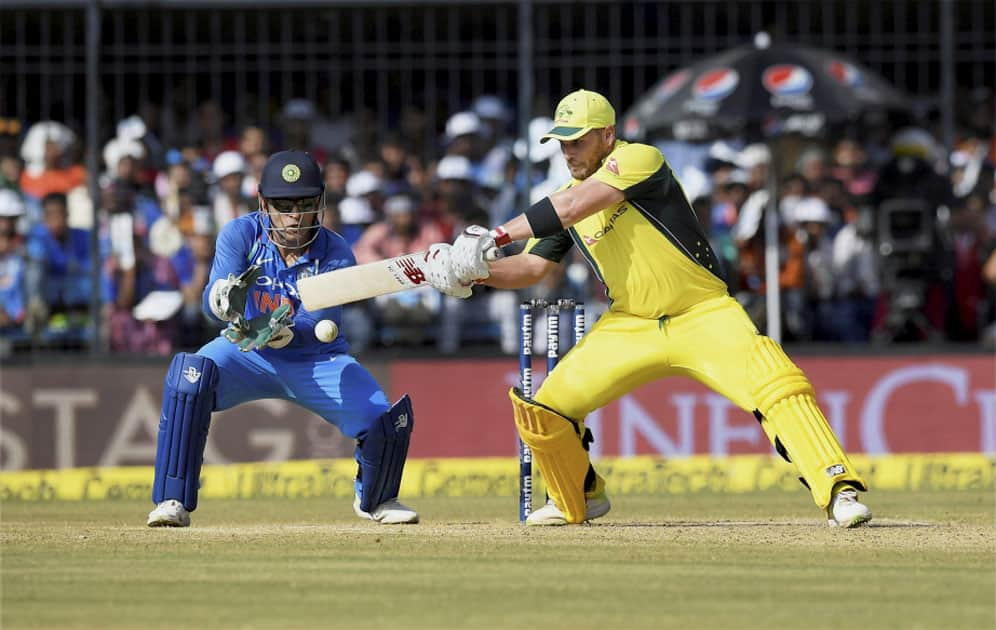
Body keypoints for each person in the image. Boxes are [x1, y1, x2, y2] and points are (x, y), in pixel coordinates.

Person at [432, 89, 872, 528]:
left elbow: (571, 207)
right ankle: (579, 498)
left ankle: (838, 490)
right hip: (630, 324)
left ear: (607, 135)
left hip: (703, 312)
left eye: (577, 140)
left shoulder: (640, 160)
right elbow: (531, 267)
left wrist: (494, 235)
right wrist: (473, 272)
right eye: (562, 142)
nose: (568, 151)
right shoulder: (565, 198)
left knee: (777, 385)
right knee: (547, 409)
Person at [147, 150, 437, 527]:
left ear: (319, 203)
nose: (294, 216)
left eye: (303, 204)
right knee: (190, 376)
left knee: (380, 417)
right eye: (284, 206)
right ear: (264, 203)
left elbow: (321, 322)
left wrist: (284, 331)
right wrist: (220, 299)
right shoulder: (241, 233)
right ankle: (172, 500)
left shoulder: (335, 251)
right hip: (244, 350)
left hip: (316, 359)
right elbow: (211, 300)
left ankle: (377, 499)